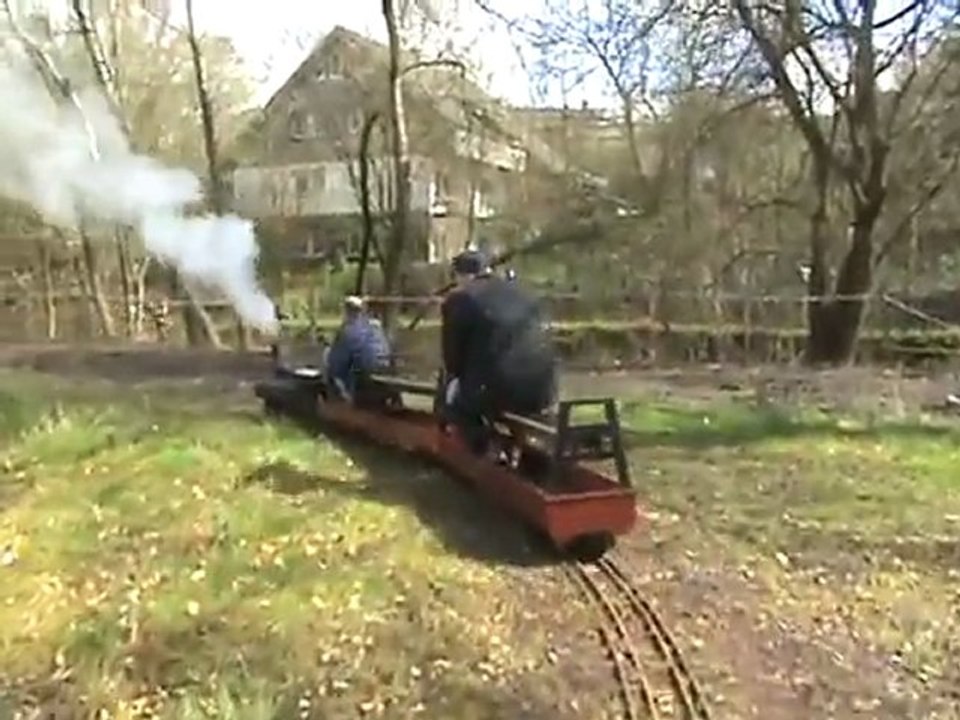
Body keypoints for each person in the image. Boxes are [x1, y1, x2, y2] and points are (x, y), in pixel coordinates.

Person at [440, 249, 557, 456]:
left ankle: (482, 450)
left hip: (493, 392)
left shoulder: (461, 299)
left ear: (461, 275)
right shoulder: (525, 294)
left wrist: (456, 377)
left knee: (451, 399)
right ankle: (516, 446)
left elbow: (452, 359)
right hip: (543, 388)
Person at [325, 295, 391, 401]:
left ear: (347, 311)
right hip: (384, 367)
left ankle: (339, 399)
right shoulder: (375, 326)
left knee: (330, 358)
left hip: (364, 372)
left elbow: (338, 361)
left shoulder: (348, 330)